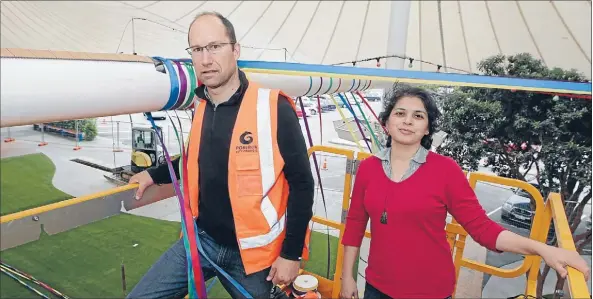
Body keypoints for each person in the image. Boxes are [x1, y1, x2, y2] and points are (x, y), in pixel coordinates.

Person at [126, 11, 315, 299]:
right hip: (202, 242)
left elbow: (302, 184)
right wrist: (152, 174)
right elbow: (195, 161)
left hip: (252, 257)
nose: (205, 59)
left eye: (215, 47)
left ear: (235, 50)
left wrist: (291, 255)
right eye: (198, 50)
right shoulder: (202, 106)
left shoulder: (273, 108)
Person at [339, 84, 590, 299]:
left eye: (418, 116)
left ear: (427, 129)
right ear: (386, 122)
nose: (407, 121)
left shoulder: (445, 171)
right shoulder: (368, 169)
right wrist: (347, 277)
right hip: (376, 287)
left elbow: (482, 229)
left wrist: (544, 249)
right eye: (400, 113)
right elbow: (355, 224)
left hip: (429, 290)